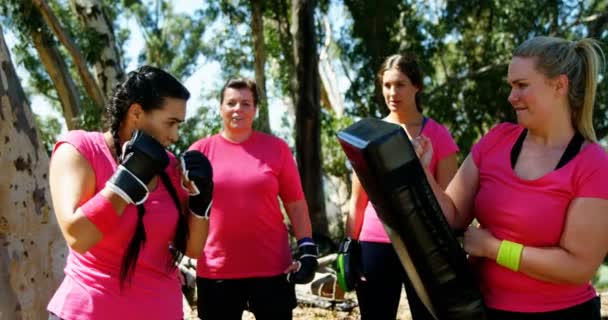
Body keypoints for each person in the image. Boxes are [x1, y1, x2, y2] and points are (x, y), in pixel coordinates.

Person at [415, 36, 608, 319]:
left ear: (559, 85)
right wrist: (422, 172)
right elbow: (452, 215)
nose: (511, 96)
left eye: (522, 85)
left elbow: (577, 268)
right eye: (511, 86)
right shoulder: (497, 140)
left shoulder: (593, 164)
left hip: (561, 314)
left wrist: (494, 249)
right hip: (485, 309)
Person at [47, 66, 213, 320]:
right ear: (136, 112)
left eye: (179, 125)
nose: (175, 135)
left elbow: (192, 249)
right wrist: (125, 183)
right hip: (87, 312)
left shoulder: (169, 166)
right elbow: (77, 236)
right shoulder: (80, 150)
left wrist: (200, 203)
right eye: (170, 123)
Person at [189, 78, 318, 320]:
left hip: (272, 268)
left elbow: (296, 204)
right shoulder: (199, 152)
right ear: (220, 108)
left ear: (255, 109)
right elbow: (181, 207)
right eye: (231, 103)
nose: (238, 109)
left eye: (246, 103)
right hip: (216, 270)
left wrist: (307, 248)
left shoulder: (277, 149)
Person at [346, 53, 459, 320]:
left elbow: (451, 202)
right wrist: (349, 245)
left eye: (400, 84)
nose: (392, 92)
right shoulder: (367, 135)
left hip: (424, 245)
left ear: (417, 86)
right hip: (375, 242)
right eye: (387, 85)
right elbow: (357, 200)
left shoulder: (438, 135)